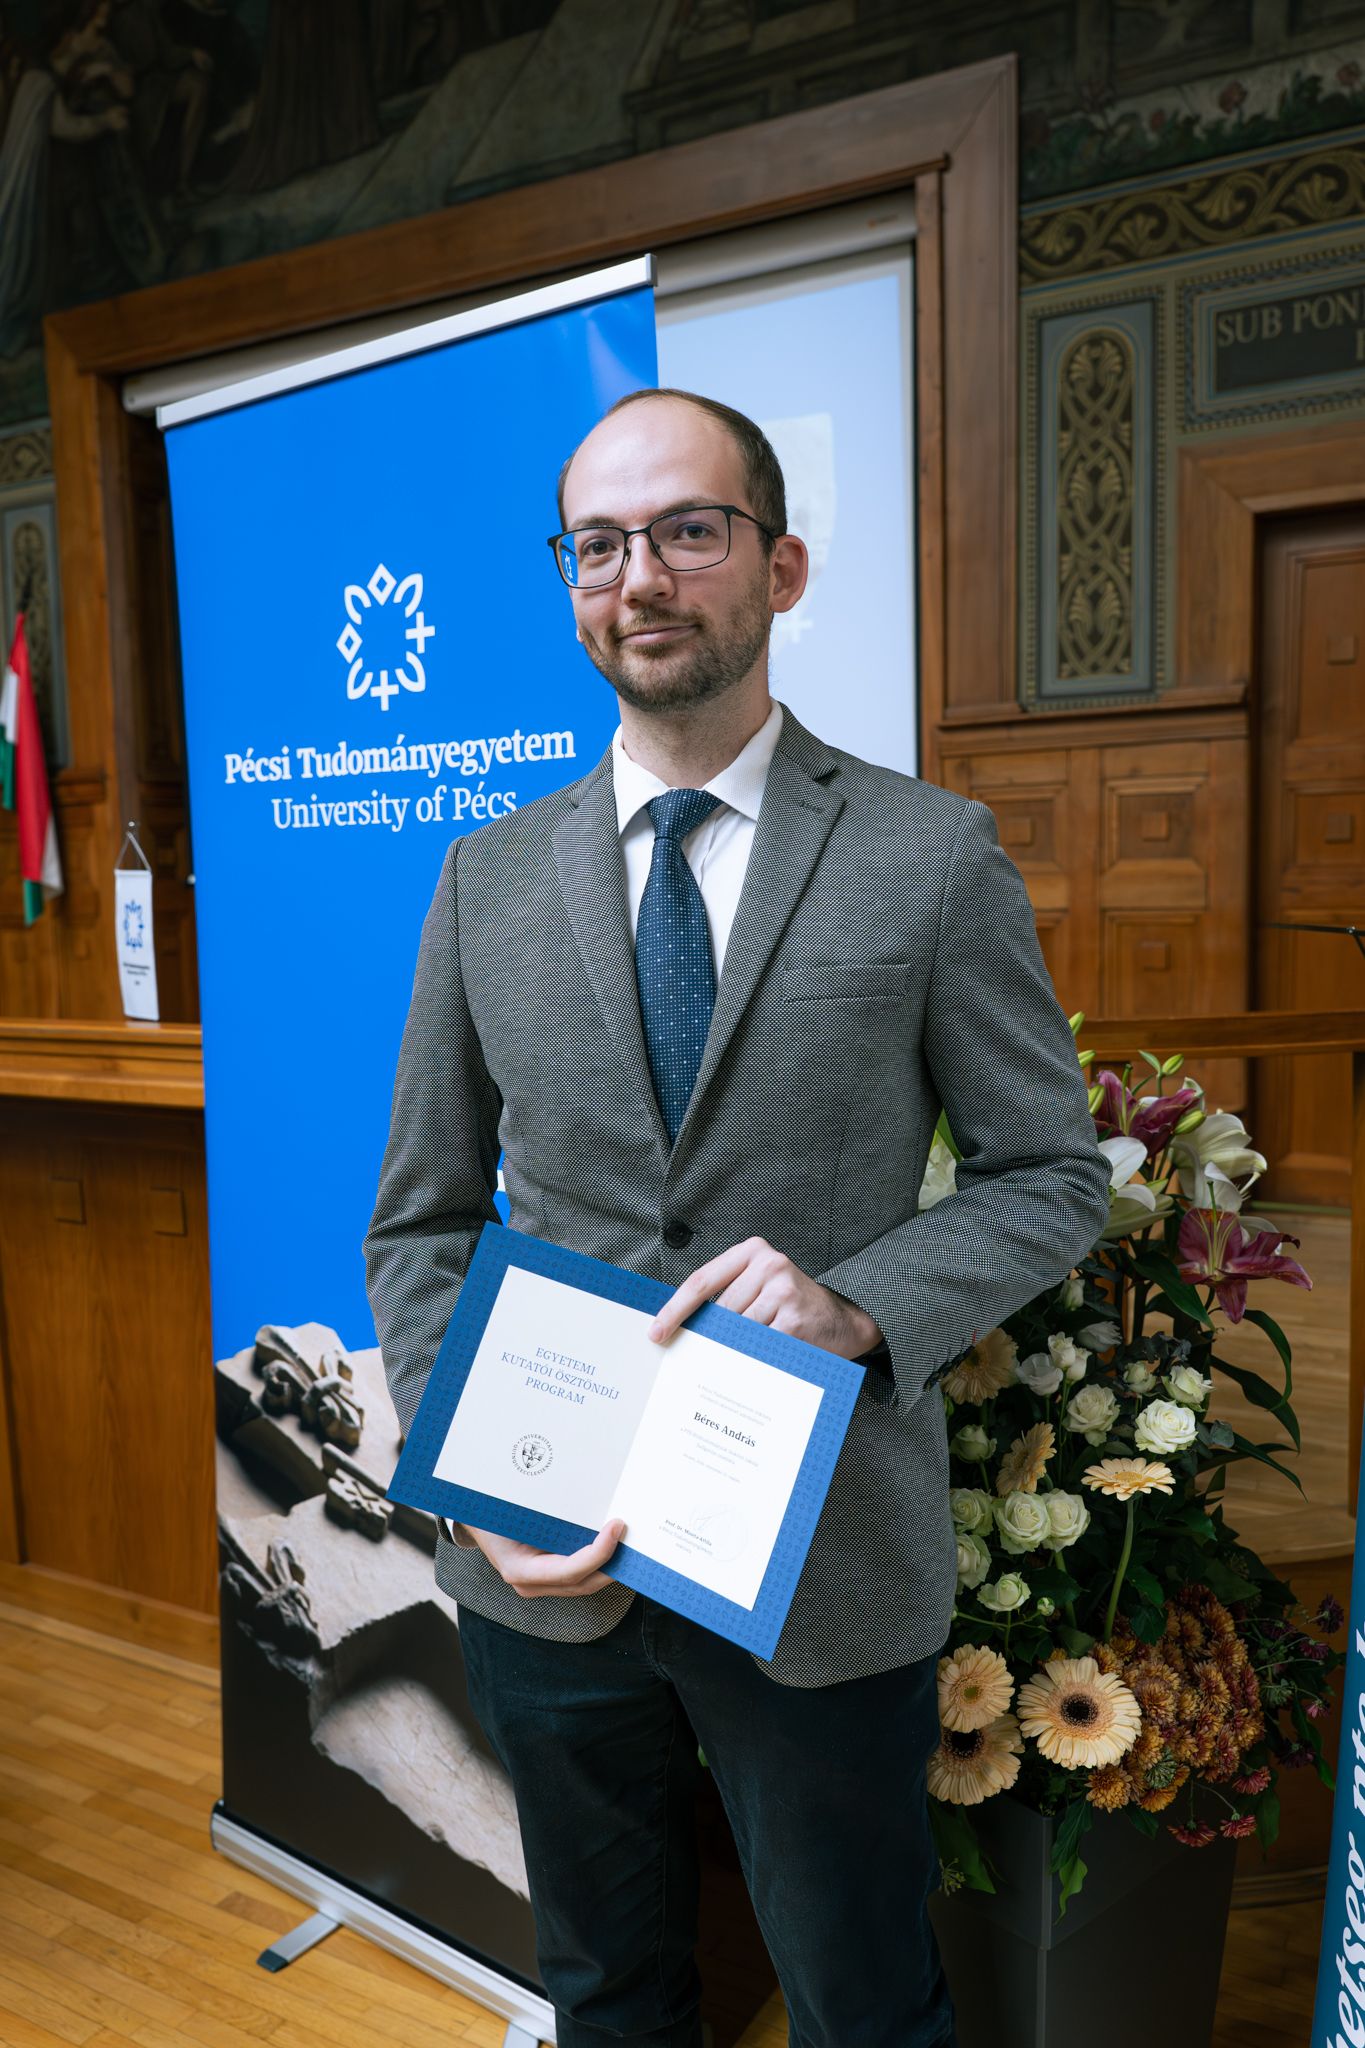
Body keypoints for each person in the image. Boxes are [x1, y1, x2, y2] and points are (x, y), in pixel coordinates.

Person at [364, 387, 1111, 2047]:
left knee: (864, 2006)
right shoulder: (487, 879)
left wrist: (858, 1305)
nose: (639, 577)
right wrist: (472, 1476)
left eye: (686, 532)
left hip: (820, 1559)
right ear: (571, 581)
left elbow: (1051, 1175)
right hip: (544, 1563)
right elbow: (420, 1221)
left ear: (778, 567)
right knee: (606, 1995)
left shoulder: (927, 855)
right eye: (598, 545)